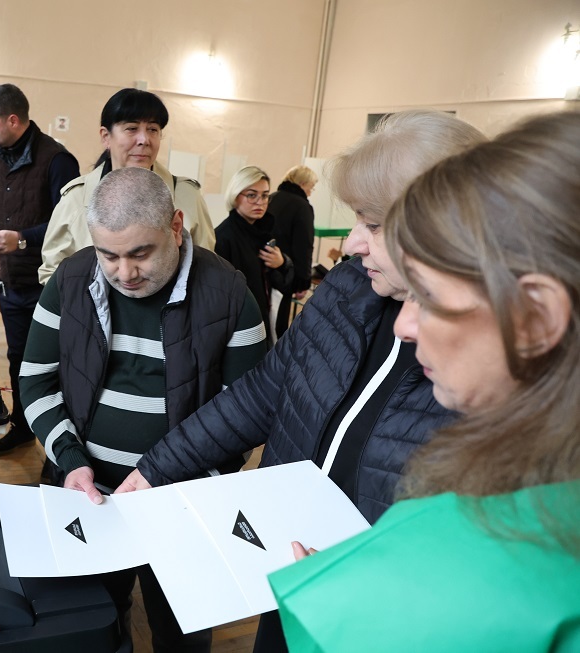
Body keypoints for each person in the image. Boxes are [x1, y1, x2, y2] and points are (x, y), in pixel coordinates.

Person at [114, 111, 486, 652]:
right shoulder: (350, 286)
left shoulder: (486, 361)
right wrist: (156, 469)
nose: (354, 243)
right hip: (291, 566)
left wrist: (368, 596)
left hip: (375, 617)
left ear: (442, 227)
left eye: (373, 225)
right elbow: (267, 391)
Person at [270, 109, 580, 652]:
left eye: (429, 295)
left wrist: (358, 613)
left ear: (536, 315)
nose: (406, 325)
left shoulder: (488, 545)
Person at [21, 167, 268, 652]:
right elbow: (35, 382)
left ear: (177, 226)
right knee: (94, 626)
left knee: (183, 632)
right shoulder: (70, 281)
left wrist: (182, 486)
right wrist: (71, 461)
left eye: (141, 253)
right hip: (88, 500)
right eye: (108, 255)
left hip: (184, 505)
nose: (125, 273)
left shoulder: (231, 294)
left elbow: (248, 413)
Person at [0, 83, 80, 455]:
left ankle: (63, 441)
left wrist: (20, 238)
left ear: (13, 119)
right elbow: (10, 215)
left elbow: (66, 224)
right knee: (17, 359)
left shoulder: (57, 160)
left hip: (47, 283)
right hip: (12, 281)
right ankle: (22, 426)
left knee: (56, 364)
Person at [38, 88, 216, 285]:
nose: (144, 140)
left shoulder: (186, 195)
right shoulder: (76, 198)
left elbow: (207, 270)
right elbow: (53, 273)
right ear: (106, 136)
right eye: (132, 128)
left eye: (153, 130)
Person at [215, 165, 293, 344]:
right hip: (240, 330)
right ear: (235, 196)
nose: (260, 202)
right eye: (252, 195)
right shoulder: (223, 237)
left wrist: (282, 263)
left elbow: (283, 283)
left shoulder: (264, 231)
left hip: (266, 320)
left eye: (265, 195)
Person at [269, 165, 317, 339]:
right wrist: (303, 282)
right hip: (285, 273)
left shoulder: (271, 198)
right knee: (280, 323)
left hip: (265, 269)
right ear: (303, 184)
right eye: (311, 187)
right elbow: (304, 246)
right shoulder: (302, 206)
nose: (311, 192)